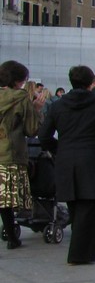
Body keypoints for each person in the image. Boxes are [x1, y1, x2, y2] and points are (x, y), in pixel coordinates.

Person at [37, 65, 95, 265]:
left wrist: (58, 149)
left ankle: (81, 251)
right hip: (92, 157)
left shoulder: (59, 105)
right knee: (89, 207)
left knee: (75, 205)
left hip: (67, 158)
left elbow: (43, 135)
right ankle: (81, 253)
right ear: (90, 82)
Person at [0, 60, 40, 251]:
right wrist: (37, 111)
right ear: (17, 81)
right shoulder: (20, 98)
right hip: (10, 153)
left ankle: (9, 231)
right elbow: (31, 130)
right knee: (8, 197)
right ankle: (11, 236)